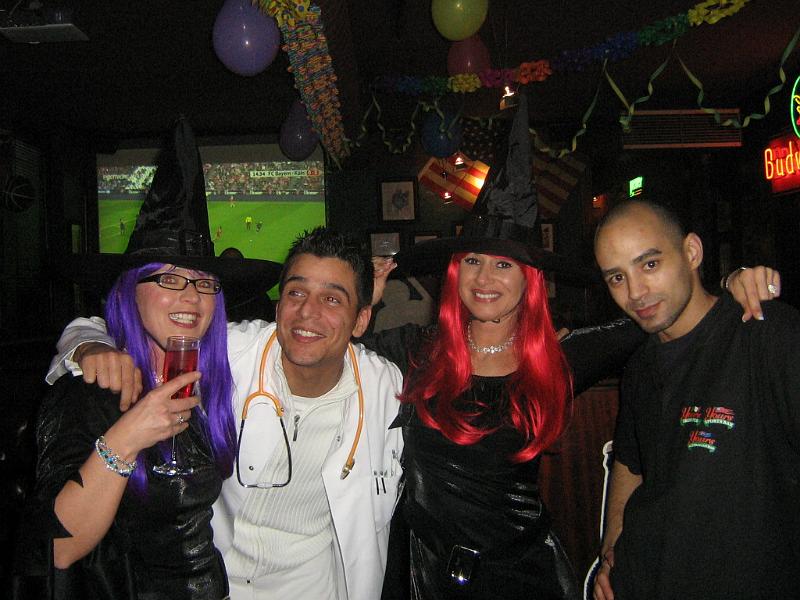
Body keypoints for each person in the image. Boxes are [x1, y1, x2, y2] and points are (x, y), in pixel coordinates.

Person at [46, 227, 404, 600]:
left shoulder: (385, 386)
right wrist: (88, 345)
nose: (307, 312)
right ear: (278, 305)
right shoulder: (230, 354)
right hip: (213, 584)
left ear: (361, 320)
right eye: (296, 293)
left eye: (331, 299)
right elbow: (127, 326)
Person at [14, 116, 280, 599]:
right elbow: (56, 549)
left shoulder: (211, 380)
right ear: (130, 291)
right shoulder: (90, 389)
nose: (191, 296)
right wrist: (129, 435)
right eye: (169, 279)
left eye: (204, 283)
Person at [592, 200, 796, 600]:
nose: (635, 292)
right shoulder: (640, 366)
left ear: (691, 252)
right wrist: (612, 551)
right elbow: (630, 462)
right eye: (617, 277)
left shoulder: (765, 334)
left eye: (650, 264)